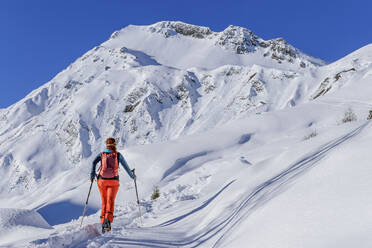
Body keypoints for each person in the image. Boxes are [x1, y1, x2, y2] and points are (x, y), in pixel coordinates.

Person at [91, 137, 135, 233]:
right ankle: (108, 220)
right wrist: (133, 176)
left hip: (101, 181)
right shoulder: (118, 155)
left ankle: (103, 222)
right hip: (114, 181)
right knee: (110, 200)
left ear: (106, 145)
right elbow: (127, 168)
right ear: (115, 145)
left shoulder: (102, 154)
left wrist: (92, 175)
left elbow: (94, 162)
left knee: (104, 201)